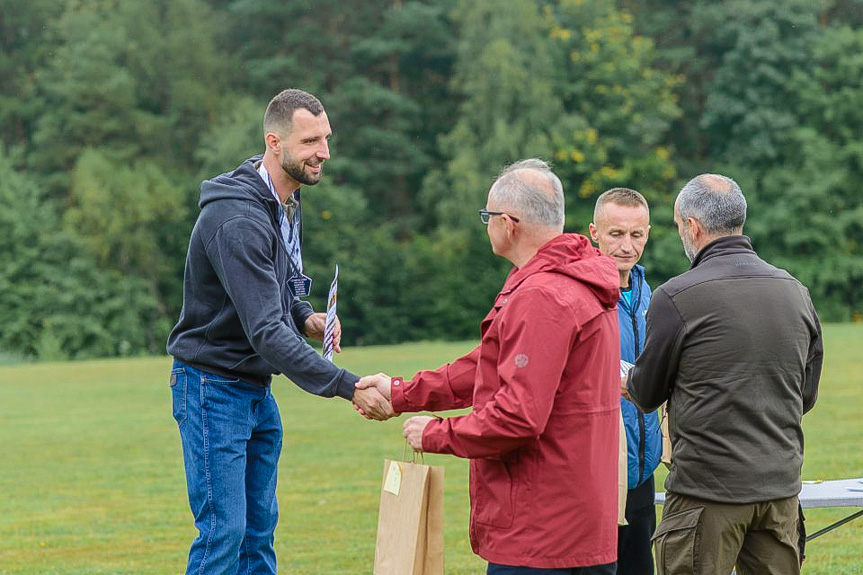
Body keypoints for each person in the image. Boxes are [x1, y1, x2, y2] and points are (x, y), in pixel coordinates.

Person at [357, 159, 621, 574]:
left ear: (508, 223)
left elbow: (518, 417)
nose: (486, 226)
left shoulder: (543, 296)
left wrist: (435, 433)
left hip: (542, 527)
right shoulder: (564, 281)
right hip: (576, 520)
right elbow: (490, 364)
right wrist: (401, 392)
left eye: (487, 216)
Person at [166, 88, 391, 574]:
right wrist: (348, 386)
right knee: (223, 536)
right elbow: (265, 330)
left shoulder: (284, 202)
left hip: (252, 388)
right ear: (275, 142)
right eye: (311, 141)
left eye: (326, 138)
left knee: (258, 532)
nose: (324, 152)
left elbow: (280, 291)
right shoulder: (237, 218)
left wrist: (307, 315)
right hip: (212, 389)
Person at [626, 174, 823, 575]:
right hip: (780, 491)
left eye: (679, 225)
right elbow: (805, 396)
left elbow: (646, 393)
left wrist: (625, 381)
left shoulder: (676, 296)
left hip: (705, 495)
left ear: (692, 226)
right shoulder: (795, 291)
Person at [589, 188, 661, 575]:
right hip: (595, 471)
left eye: (636, 235)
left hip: (642, 471)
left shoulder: (651, 295)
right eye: (616, 234)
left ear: (648, 233)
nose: (626, 246)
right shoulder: (578, 293)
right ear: (594, 233)